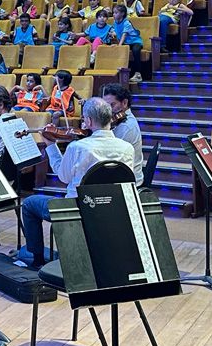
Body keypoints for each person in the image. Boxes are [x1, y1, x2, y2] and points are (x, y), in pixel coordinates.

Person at [20, 98, 134, 268]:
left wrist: (51, 146)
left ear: (88, 121)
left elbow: (63, 177)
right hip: (110, 209)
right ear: (110, 119)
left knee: (29, 204)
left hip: (75, 209)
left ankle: (37, 260)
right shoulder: (127, 148)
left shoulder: (78, 147)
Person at [102, 83, 145, 187]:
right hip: (119, 175)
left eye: (112, 105)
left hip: (128, 182)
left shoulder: (126, 126)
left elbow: (111, 158)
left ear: (124, 103)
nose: (107, 111)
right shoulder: (116, 122)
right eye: (105, 106)